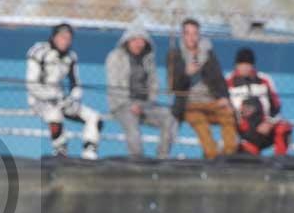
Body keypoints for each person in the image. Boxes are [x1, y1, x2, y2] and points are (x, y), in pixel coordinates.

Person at [26, 23, 102, 159]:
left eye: (68, 38)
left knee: (94, 117)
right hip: (39, 100)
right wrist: (52, 95)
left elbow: (76, 84)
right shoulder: (39, 51)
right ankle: (60, 151)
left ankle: (89, 154)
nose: (65, 41)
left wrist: (73, 97)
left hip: (62, 99)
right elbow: (32, 84)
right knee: (54, 114)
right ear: (54, 37)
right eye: (62, 37)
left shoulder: (71, 57)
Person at [168, 18, 237, 159]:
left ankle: (229, 156)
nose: (191, 37)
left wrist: (225, 98)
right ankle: (211, 156)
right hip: (190, 104)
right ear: (183, 35)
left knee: (228, 116)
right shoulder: (175, 55)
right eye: (188, 33)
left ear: (199, 35)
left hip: (211, 101)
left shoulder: (208, 53)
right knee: (201, 125)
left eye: (195, 33)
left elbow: (219, 79)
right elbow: (174, 87)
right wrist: (187, 73)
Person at [105, 21, 175, 158]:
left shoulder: (148, 59)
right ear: (127, 41)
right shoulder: (115, 57)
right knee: (133, 127)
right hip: (122, 105)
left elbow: (153, 84)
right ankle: (137, 160)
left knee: (170, 117)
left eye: (142, 40)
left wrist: (149, 102)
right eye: (135, 40)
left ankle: (162, 157)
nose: (139, 44)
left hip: (145, 105)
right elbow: (114, 86)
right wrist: (129, 104)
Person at [227, 48, 292, 156]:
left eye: (248, 64)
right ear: (236, 65)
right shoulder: (229, 82)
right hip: (245, 132)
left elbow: (276, 106)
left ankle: (280, 161)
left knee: (283, 128)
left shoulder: (264, 80)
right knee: (245, 155)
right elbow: (226, 109)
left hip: (266, 128)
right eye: (242, 65)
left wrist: (269, 122)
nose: (245, 68)